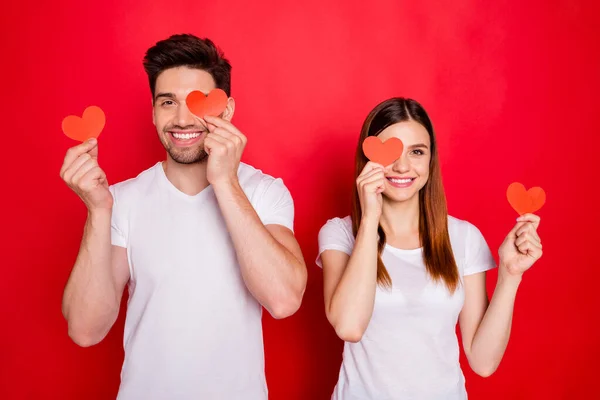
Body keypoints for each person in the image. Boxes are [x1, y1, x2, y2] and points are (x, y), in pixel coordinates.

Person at [60, 33, 307, 400]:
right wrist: (98, 211)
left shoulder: (263, 192)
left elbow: (284, 300)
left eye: (197, 102)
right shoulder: (122, 200)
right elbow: (85, 329)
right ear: (154, 111)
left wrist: (225, 182)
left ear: (226, 110)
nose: (181, 118)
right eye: (167, 102)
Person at [316, 97, 543, 400]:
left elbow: (483, 361)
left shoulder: (463, 238)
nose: (402, 166)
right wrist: (369, 218)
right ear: (368, 156)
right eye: (391, 151)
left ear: (431, 159)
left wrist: (510, 275)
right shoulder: (341, 234)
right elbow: (349, 327)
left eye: (417, 152)